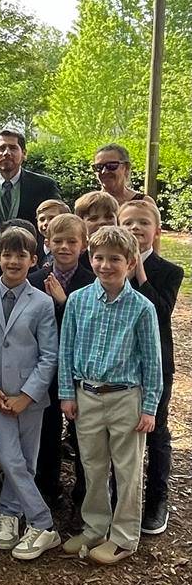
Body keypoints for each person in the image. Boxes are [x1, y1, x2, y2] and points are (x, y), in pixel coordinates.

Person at [59, 227, 163, 565]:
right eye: (99, 258)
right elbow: (66, 351)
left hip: (125, 399)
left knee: (127, 469)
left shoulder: (142, 308)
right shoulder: (78, 300)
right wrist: (67, 393)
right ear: (91, 258)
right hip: (87, 395)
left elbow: (152, 362)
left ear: (130, 262)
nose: (105, 265)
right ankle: (94, 527)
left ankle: (123, 537)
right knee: (92, 465)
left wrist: (149, 409)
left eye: (114, 259)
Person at [0, 228, 60, 560]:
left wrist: (28, 394)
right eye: (7, 254)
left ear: (33, 260)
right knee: (10, 459)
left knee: (26, 461)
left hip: (30, 397)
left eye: (21, 255)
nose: (13, 260)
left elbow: (49, 354)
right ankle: (43, 522)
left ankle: (9, 512)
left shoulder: (41, 302)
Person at [118, 200, 183, 534]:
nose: (135, 228)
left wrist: (138, 272)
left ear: (156, 231)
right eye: (128, 222)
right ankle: (118, 500)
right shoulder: (106, 266)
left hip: (155, 364)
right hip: (118, 367)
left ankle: (157, 499)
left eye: (143, 223)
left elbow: (160, 311)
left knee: (155, 429)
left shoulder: (169, 272)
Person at [28, 214, 95, 507]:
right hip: (44, 367)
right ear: (47, 244)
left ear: (84, 246)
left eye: (72, 241)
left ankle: (84, 494)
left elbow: (93, 328)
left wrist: (63, 302)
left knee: (82, 433)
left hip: (80, 368)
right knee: (47, 427)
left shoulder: (92, 282)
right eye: (58, 241)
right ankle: (46, 487)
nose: (64, 247)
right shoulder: (35, 280)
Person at [0, 125, 62, 230]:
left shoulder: (44, 186)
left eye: (13, 148)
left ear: (24, 154)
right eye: (1, 148)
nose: (6, 153)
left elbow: (59, 221)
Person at [93, 144, 156, 208]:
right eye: (99, 167)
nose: (104, 171)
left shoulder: (144, 203)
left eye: (111, 165)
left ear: (126, 167)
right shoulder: (90, 204)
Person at [35, 200, 70, 265]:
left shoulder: (73, 248)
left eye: (52, 218)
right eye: (42, 219)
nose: (45, 223)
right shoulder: (34, 248)